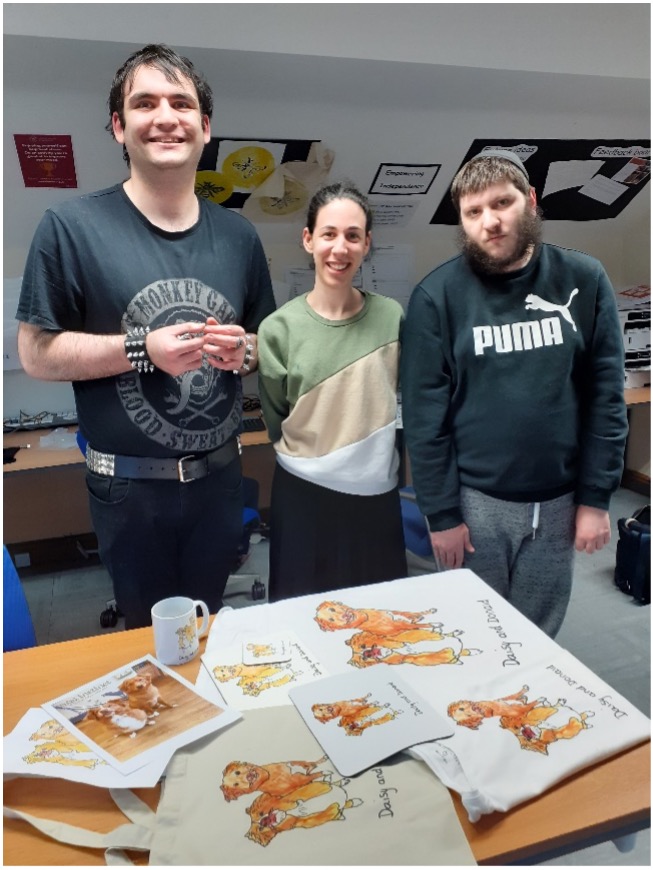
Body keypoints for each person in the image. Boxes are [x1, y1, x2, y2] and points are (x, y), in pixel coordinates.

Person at [16, 44, 276, 629]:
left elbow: (263, 340)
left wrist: (245, 352)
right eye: (145, 103)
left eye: (182, 103)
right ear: (118, 126)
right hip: (131, 493)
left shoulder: (238, 235)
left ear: (205, 127)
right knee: (147, 639)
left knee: (211, 635)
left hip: (220, 479)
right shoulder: (72, 228)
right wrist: (143, 349)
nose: (166, 117)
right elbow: (35, 354)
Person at [400, 149, 628, 637]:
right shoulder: (435, 297)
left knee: (538, 631)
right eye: (474, 212)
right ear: (462, 221)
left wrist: (596, 499)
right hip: (475, 502)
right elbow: (425, 419)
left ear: (529, 200)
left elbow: (606, 399)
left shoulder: (584, 280)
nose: (491, 222)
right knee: (473, 629)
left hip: (561, 499)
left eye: (501, 204)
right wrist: (441, 516)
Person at [257, 182, 407, 601]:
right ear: (308, 239)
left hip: (375, 492)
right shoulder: (278, 329)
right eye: (328, 234)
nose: (340, 248)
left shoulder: (391, 317)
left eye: (352, 236)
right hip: (303, 493)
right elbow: (276, 416)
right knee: (303, 614)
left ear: (366, 244)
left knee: (379, 618)